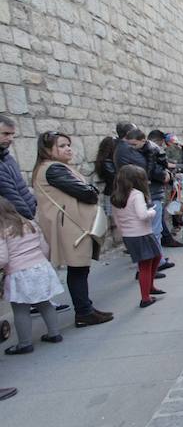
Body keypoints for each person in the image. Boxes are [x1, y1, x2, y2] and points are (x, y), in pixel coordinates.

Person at [32, 131, 114, 327]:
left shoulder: (52, 167)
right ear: (47, 149)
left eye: (68, 144)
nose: (68, 148)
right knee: (78, 268)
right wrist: (92, 191)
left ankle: (85, 308)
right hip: (70, 225)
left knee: (79, 268)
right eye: (61, 146)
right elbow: (86, 193)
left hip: (70, 223)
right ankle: (84, 313)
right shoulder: (53, 169)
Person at [1, 114, 70, 315]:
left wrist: (30, 206)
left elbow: (18, 187)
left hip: (22, 216)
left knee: (32, 264)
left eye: (12, 134)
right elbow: (8, 193)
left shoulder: (7, 158)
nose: (10, 138)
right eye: (5, 134)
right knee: (19, 268)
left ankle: (41, 302)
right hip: (10, 220)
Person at [0, 196, 65, 354]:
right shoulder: (30, 224)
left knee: (21, 309)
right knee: (45, 303)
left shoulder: (2, 231)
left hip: (19, 273)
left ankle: (25, 343)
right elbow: (44, 248)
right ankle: (54, 334)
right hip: (40, 268)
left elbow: (3, 258)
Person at [116, 128, 179, 267]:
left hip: (152, 192)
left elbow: (152, 167)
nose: (132, 147)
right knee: (155, 230)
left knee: (156, 230)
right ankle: (155, 263)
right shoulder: (137, 152)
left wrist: (162, 174)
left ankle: (157, 261)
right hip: (151, 193)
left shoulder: (148, 150)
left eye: (133, 144)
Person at [111, 165, 164, 308]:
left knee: (156, 257)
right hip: (142, 234)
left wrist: (124, 232)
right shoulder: (136, 195)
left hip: (130, 235)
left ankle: (150, 287)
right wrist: (152, 212)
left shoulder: (116, 196)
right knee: (145, 266)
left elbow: (116, 219)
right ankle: (145, 297)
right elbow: (142, 215)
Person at [94, 136, 118, 217]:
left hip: (112, 193)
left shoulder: (106, 161)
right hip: (112, 193)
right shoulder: (107, 162)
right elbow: (114, 178)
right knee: (112, 218)